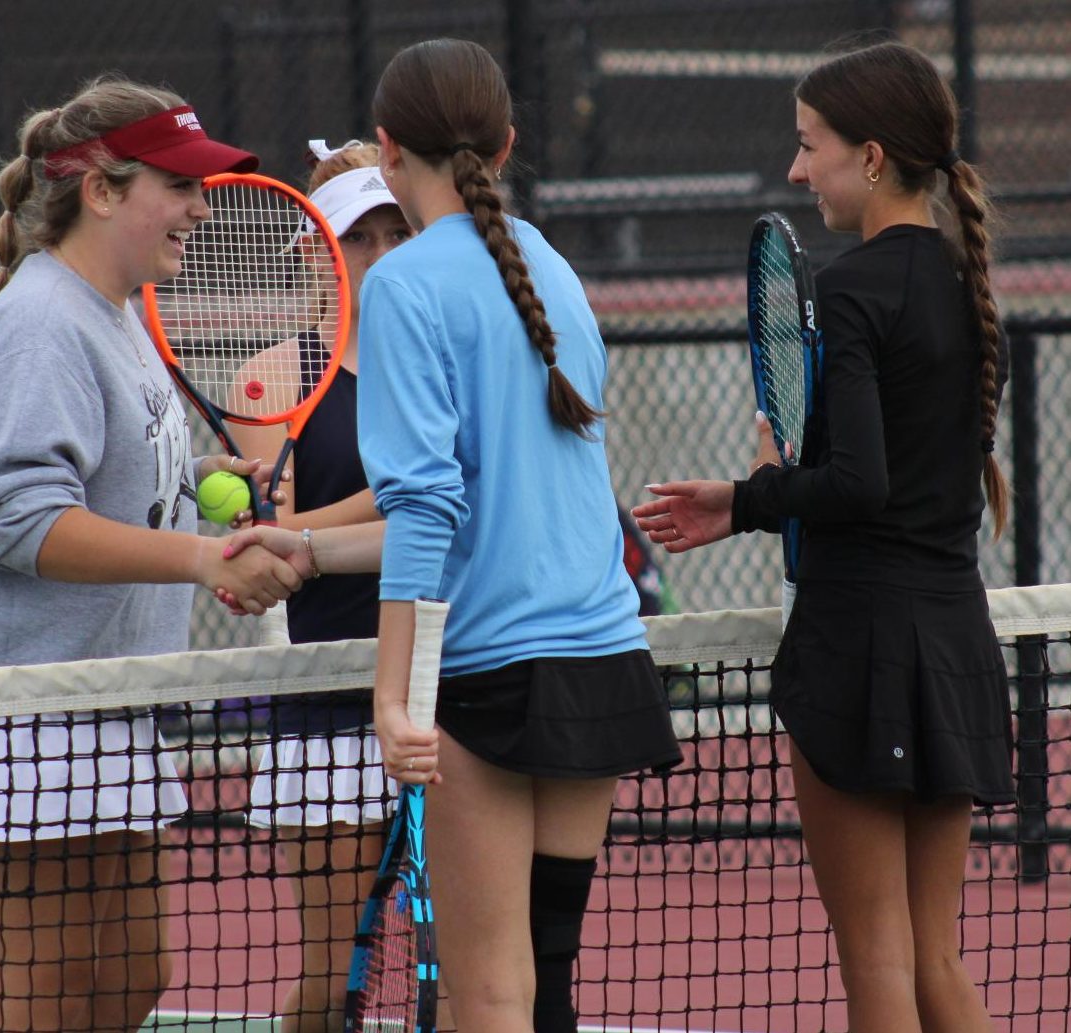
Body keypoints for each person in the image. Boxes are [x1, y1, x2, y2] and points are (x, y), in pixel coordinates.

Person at [224, 38, 683, 1033]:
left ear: (387, 152)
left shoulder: (399, 286)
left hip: (489, 682)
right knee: (545, 979)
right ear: (508, 144)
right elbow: (475, 506)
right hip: (601, 659)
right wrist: (307, 549)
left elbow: (427, 513)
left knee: (486, 991)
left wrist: (395, 696)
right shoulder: (550, 268)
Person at [0, 76, 302, 1033]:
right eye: (179, 185)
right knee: (34, 1008)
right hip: (21, 715)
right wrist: (197, 562)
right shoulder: (40, 323)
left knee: (129, 977)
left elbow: (113, 479)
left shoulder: (119, 313)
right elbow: (18, 523)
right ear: (101, 190)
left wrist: (198, 483)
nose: (199, 206)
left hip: (103, 705)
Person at [632, 41, 1013, 1033]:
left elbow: (857, 484)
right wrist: (762, 490)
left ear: (872, 157)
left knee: (877, 964)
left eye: (810, 148)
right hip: (954, 646)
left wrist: (758, 488)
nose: (798, 172)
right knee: (937, 961)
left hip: (859, 651)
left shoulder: (849, 290)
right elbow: (901, 480)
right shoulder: (972, 292)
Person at [229, 138, 414, 1033]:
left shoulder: (444, 365)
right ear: (315, 250)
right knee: (335, 978)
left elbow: (299, 530)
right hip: (327, 708)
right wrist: (416, 495)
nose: (381, 256)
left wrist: (304, 531)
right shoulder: (270, 377)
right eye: (358, 239)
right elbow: (276, 551)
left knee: (463, 975)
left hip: (451, 693)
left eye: (395, 233)